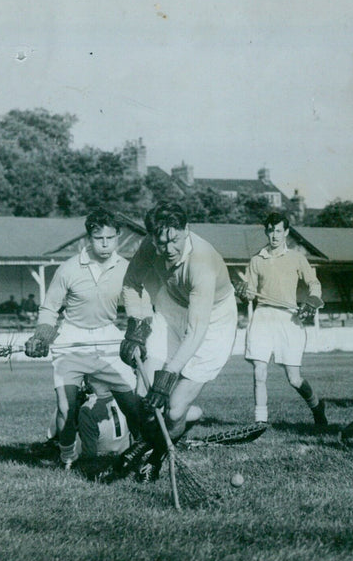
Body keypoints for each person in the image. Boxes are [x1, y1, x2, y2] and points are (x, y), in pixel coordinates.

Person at [121, 201, 238, 482]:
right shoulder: (151, 246)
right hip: (171, 307)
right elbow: (130, 284)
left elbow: (197, 330)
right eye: (161, 243)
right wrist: (136, 325)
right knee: (143, 398)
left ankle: (155, 454)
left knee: (173, 409)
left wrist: (169, 374)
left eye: (174, 240)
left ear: (186, 229)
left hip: (212, 322)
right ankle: (187, 420)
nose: (168, 249)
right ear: (152, 237)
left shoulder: (202, 262)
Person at [24, 209, 142, 470]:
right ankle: (67, 459)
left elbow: (139, 308)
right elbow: (49, 309)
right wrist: (41, 336)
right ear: (89, 237)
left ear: (118, 237)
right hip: (72, 340)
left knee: (133, 406)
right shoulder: (68, 268)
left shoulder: (126, 269)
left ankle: (140, 456)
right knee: (66, 409)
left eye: (110, 238)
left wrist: (138, 336)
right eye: (98, 238)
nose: (104, 244)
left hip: (108, 338)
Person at [241, 212, 327, 426]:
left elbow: (313, 284)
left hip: (289, 318)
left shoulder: (297, 258)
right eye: (270, 231)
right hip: (262, 316)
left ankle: (317, 406)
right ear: (266, 232)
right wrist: (243, 292)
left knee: (294, 379)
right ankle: (260, 422)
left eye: (278, 231)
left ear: (286, 232)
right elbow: (250, 293)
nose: (274, 236)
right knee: (259, 372)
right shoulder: (256, 260)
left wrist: (313, 300)